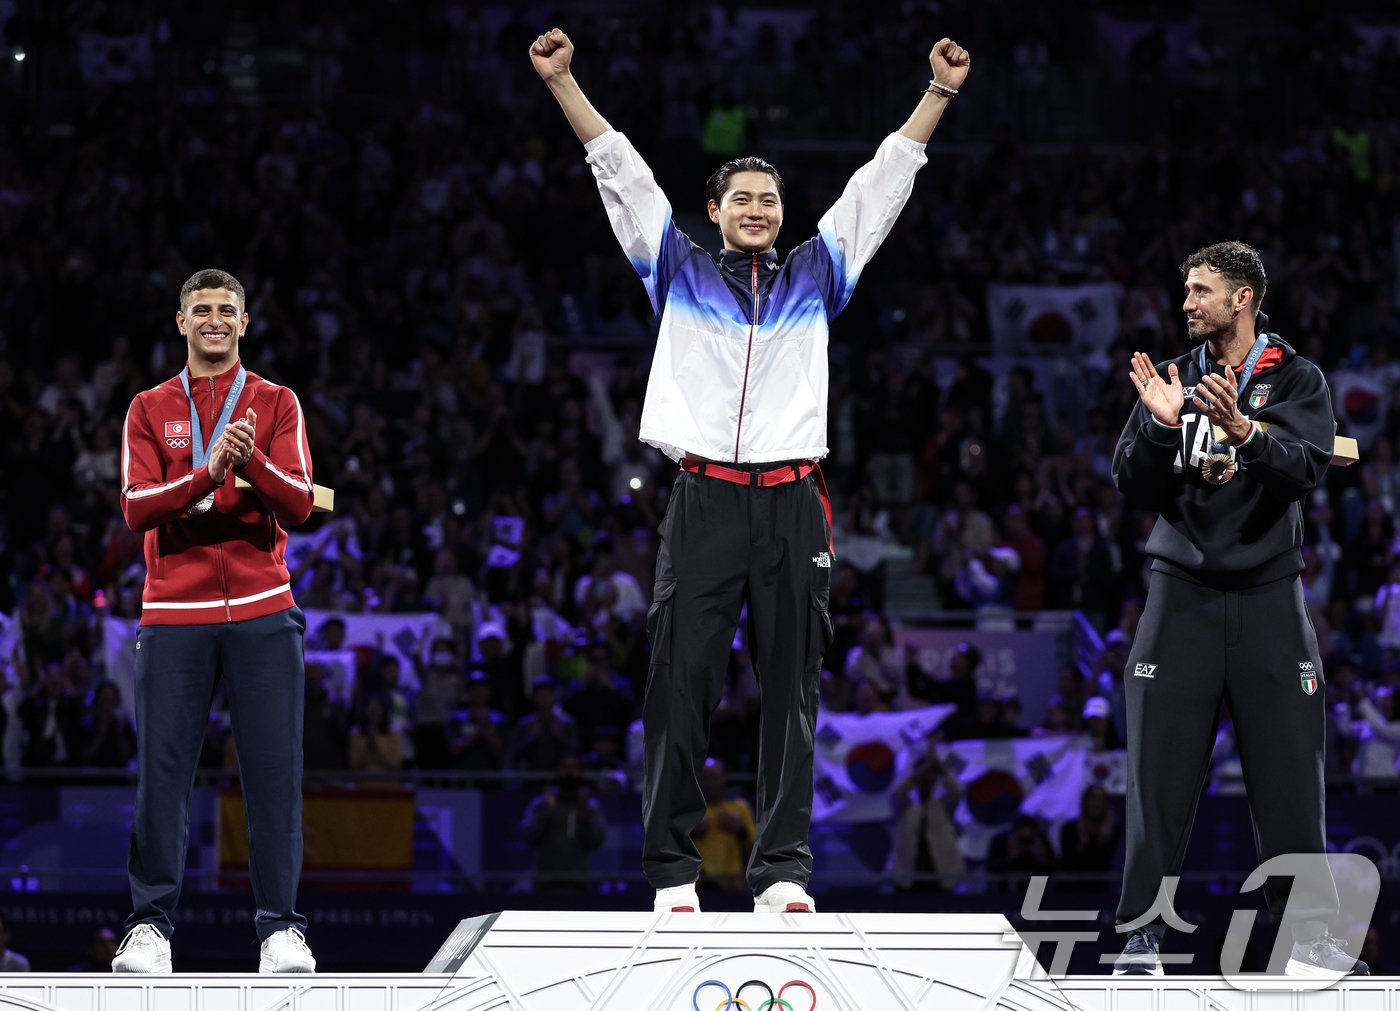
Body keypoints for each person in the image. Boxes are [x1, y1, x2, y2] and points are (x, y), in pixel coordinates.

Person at [530, 26, 971, 915]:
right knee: (678, 685)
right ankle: (670, 872)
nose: (759, 209)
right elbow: (621, 174)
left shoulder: (821, 271)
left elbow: (879, 190)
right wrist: (564, 83)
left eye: (770, 198)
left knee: (792, 693)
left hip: (792, 503)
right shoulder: (675, 266)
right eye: (743, 198)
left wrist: (938, 95)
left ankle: (782, 872)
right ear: (717, 210)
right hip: (702, 500)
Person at [1111, 241, 1366, 977]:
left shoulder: (1296, 380)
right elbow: (1129, 479)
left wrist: (1247, 433)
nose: (1186, 303)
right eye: (1186, 291)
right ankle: (1141, 940)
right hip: (1180, 598)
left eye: (1200, 291)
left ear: (1242, 297)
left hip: (1266, 602)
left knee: (1290, 779)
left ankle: (1311, 940)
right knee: (1157, 779)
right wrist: (1160, 426)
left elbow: (1308, 467)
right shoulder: (1173, 378)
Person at [112, 269, 316, 974]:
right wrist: (209, 471)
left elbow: (298, 503)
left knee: (272, 772)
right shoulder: (147, 407)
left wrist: (249, 457)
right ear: (180, 322)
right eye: (201, 309)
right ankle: (149, 928)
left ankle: (281, 930)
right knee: (163, 775)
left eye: (226, 309)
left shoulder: (275, 402)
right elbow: (137, 506)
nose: (214, 319)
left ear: (245, 322)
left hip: (265, 609)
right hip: (173, 612)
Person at [518, 753, 607, 891]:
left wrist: (584, 813)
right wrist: (549, 811)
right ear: (557, 770)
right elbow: (528, 837)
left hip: (578, 880)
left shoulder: (590, 806)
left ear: (581, 771)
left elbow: (597, 841)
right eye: (565, 767)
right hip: (545, 879)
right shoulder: (541, 804)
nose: (569, 772)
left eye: (574, 767)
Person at [693, 757, 756, 892]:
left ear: (723, 778)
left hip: (731, 885)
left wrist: (740, 829)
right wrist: (691, 832)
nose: (710, 783)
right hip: (699, 885)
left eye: (715, 777)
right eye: (705, 778)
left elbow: (755, 848)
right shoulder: (692, 811)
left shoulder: (739, 808)